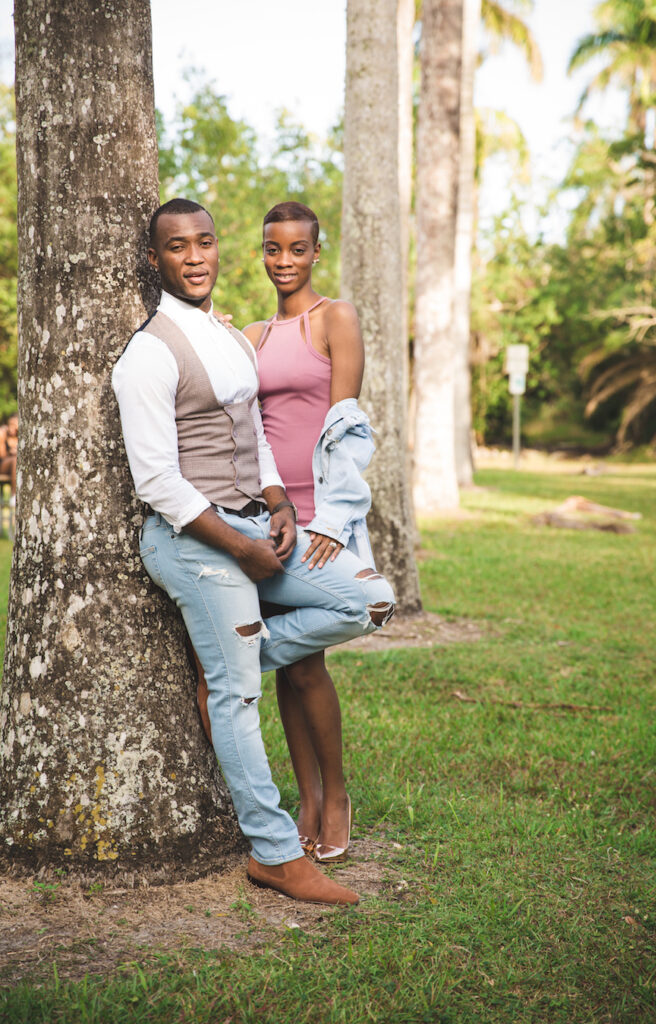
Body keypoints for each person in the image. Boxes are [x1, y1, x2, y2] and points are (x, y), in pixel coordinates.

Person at [112, 198, 395, 907]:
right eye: (177, 247)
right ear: (156, 260)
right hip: (196, 542)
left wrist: (276, 506)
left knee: (370, 599)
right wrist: (241, 545)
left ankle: (236, 655)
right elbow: (158, 485)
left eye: (204, 242)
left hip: (260, 525)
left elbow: (258, 433)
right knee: (237, 698)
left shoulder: (233, 339)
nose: (195, 256)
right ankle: (275, 854)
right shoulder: (147, 354)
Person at [198, 201, 377, 866]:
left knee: (317, 657)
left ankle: (336, 799)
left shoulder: (335, 318)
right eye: (272, 249)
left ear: (315, 252)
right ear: (262, 252)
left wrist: (332, 518)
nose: (283, 261)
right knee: (295, 667)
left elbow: (349, 425)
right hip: (266, 516)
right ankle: (306, 800)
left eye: (296, 249)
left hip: (322, 515)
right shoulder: (251, 333)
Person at [0, 413, 18, 505]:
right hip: (2, 465)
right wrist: (11, 452)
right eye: (10, 425)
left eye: (14, 425)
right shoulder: (2, 433)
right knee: (15, 459)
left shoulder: (19, 437)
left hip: (14, 469)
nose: (11, 428)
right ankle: (13, 494)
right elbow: (2, 454)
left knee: (16, 460)